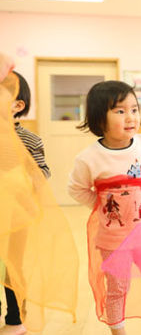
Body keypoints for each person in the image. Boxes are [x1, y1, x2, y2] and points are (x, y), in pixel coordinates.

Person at [68, 81, 141, 335]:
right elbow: (76, 189)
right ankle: (118, 331)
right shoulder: (89, 157)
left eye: (135, 109)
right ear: (99, 118)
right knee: (117, 288)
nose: (130, 117)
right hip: (113, 240)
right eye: (119, 111)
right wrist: (101, 209)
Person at [0, 71, 50, 335]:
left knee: (14, 266)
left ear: (17, 105)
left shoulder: (29, 139)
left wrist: (28, 180)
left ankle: (16, 318)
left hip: (18, 214)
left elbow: (43, 171)